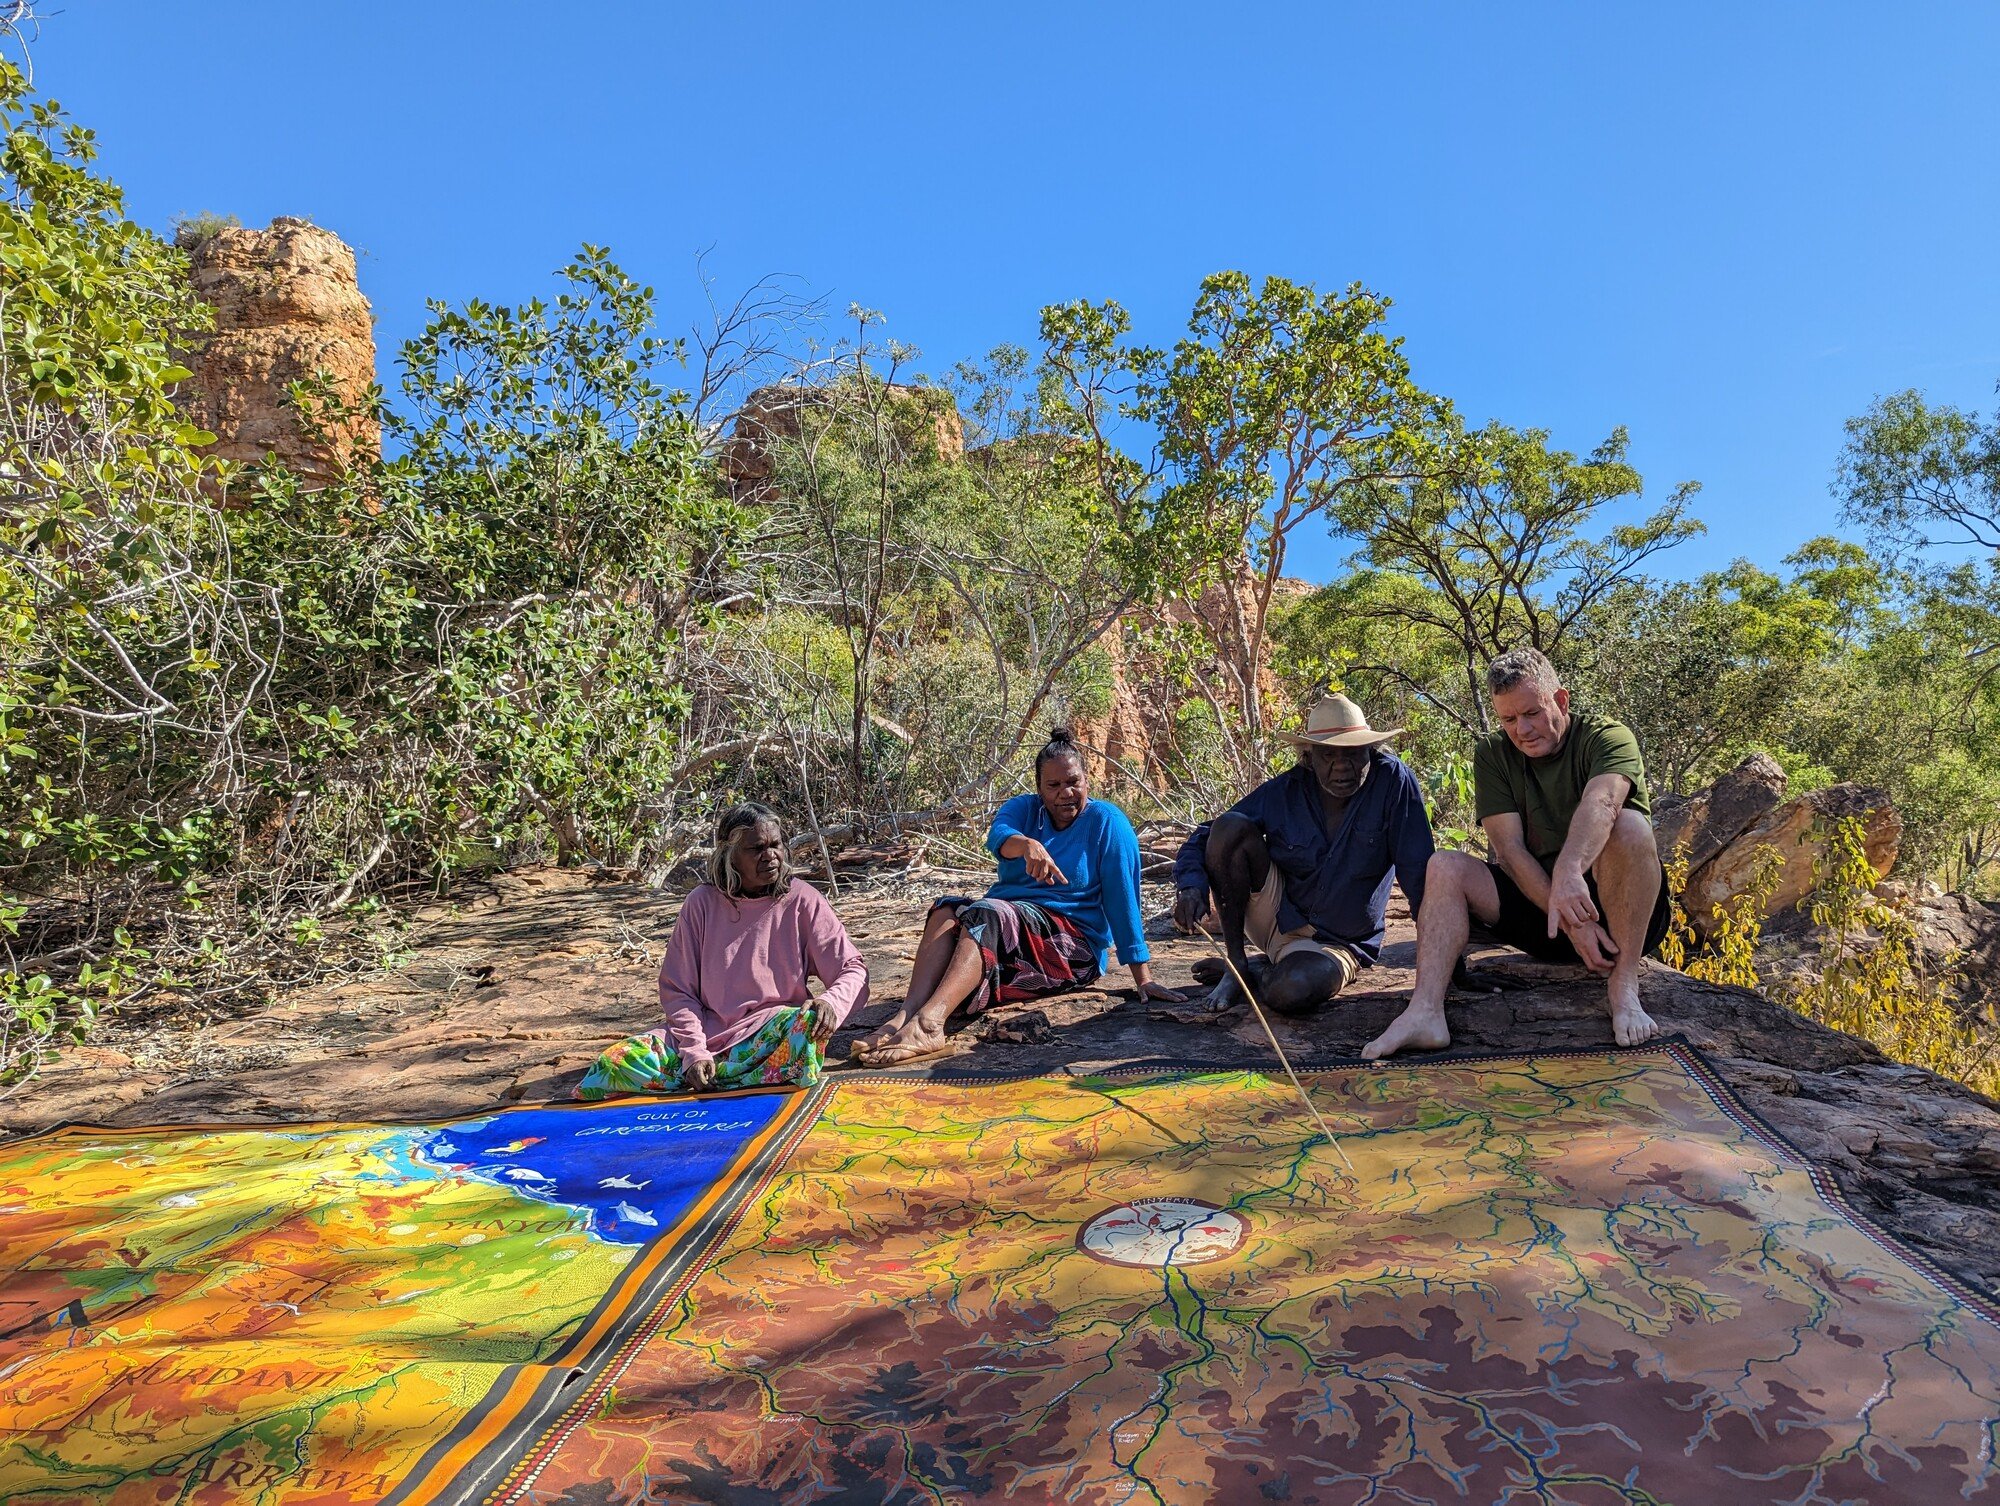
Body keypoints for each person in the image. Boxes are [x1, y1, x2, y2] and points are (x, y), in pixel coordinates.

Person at [1363, 647, 1671, 1061]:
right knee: (1445, 865)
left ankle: (1624, 988)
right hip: (1548, 920)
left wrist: (1568, 873)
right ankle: (1425, 1011)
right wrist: (1570, 919)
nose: (1521, 729)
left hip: (1622, 920)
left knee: (1631, 827)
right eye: (1508, 719)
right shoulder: (1492, 753)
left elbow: (1603, 804)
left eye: (1532, 713)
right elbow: (1508, 850)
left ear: (1560, 701)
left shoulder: (1608, 737)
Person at [855, 728, 1183, 1066]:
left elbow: (1123, 899)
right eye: (1053, 786)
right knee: (946, 908)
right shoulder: (1023, 811)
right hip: (1007, 925)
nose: (1064, 793)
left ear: (1087, 780)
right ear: (1039, 788)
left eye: (1073, 782)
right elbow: (998, 837)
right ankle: (905, 1015)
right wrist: (1027, 845)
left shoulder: (1107, 823)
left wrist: (1143, 977)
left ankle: (930, 1024)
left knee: (988, 915)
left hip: (1070, 945)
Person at [575, 803, 868, 1099]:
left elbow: (852, 969)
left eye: (776, 845)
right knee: (613, 1064)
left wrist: (830, 1002)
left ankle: (721, 1076)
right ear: (730, 855)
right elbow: (678, 992)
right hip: (705, 1034)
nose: (770, 856)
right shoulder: (701, 903)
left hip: (772, 1032)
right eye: (756, 848)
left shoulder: (803, 899)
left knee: (804, 1032)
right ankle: (723, 1073)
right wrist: (693, 1052)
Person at [1172, 694, 1435, 1015]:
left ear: (1370, 750)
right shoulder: (1289, 790)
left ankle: (1257, 971)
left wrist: (1447, 967)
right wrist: (1190, 886)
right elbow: (1207, 835)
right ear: (1309, 758)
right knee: (1229, 827)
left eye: (1352, 754)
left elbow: (1419, 874)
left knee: (1288, 991)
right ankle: (1237, 963)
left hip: (1336, 943)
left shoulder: (1393, 783)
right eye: (1328, 755)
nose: (1341, 767)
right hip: (1278, 914)